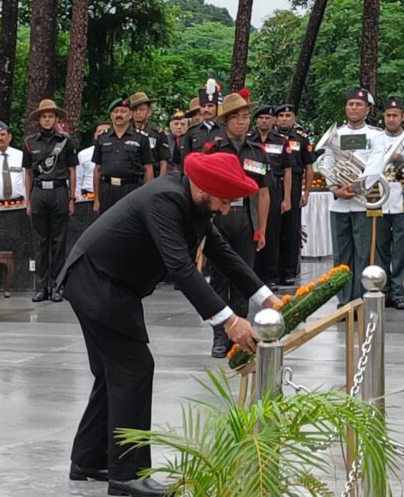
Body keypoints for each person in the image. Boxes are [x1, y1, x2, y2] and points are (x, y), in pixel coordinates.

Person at [57, 151, 278, 496]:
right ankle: (127, 476)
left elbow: (224, 255)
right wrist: (228, 321)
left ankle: (88, 459)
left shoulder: (196, 204)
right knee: (134, 368)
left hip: (107, 283)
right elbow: (180, 267)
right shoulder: (166, 199)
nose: (223, 210)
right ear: (205, 191)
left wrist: (267, 298)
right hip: (96, 282)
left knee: (112, 372)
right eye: (223, 202)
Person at [203, 91, 271, 357]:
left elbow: (263, 193)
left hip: (245, 217)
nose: (243, 122)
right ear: (226, 121)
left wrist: (262, 228)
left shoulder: (257, 153)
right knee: (218, 279)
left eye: (246, 117)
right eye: (237, 118)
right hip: (218, 218)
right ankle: (220, 334)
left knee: (244, 277)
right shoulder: (213, 149)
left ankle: (241, 333)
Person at [320, 87, 387, 307]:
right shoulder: (336, 134)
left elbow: (377, 165)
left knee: (364, 253)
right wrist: (334, 188)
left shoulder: (376, 135)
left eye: (359, 105)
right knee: (341, 255)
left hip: (362, 203)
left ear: (367, 109)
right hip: (339, 203)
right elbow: (327, 163)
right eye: (350, 104)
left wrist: (357, 187)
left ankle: (361, 298)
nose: (354, 107)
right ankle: (344, 301)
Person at [23, 99, 78, 303]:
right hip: (38, 192)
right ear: (39, 119)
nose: (47, 120)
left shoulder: (65, 141)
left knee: (58, 241)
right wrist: (28, 199)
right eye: (44, 116)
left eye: (50, 116)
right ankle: (41, 287)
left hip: (59, 191)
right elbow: (28, 173)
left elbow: (72, 170)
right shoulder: (30, 142)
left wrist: (72, 197)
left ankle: (57, 286)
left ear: (56, 118)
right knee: (40, 242)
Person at [371, 98, 404, 309]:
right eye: (388, 115)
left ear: (403, 117)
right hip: (379, 197)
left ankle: (399, 291)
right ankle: (383, 288)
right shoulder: (375, 139)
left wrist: (398, 159)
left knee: (401, 249)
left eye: (395, 115)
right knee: (380, 247)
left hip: (403, 200)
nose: (391, 119)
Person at [249, 104, 291, 287]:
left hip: (274, 188)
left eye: (267, 118)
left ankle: (271, 276)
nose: (264, 121)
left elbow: (288, 170)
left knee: (271, 233)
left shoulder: (281, 141)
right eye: (261, 118)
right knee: (253, 229)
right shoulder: (250, 140)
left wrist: (287, 198)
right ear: (256, 121)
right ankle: (254, 273)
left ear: (273, 120)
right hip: (252, 187)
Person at [275, 103, 315, 287]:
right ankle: (273, 270)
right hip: (274, 183)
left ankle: (290, 272)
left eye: (287, 115)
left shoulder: (301, 138)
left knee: (291, 229)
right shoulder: (270, 138)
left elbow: (309, 167)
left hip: (295, 184)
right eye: (281, 115)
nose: (284, 118)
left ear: (294, 118)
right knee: (274, 228)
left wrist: (306, 192)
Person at [93, 97, 154, 214]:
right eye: (116, 112)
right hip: (107, 190)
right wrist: (96, 199)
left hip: (131, 189)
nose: (119, 115)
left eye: (123, 111)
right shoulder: (102, 138)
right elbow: (98, 170)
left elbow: (148, 168)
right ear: (111, 115)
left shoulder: (141, 138)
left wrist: (147, 196)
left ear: (130, 114)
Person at [180, 79, 226, 160]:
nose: (206, 109)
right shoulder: (192, 131)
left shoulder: (226, 130)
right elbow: (185, 159)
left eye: (210, 106)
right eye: (203, 106)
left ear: (217, 107)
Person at [130, 92, 170, 177]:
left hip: (153, 177)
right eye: (135, 109)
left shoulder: (157, 133)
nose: (138, 112)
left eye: (142, 109)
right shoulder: (126, 133)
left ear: (149, 112)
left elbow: (163, 161)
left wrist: (160, 182)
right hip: (131, 179)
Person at [76, 123, 111, 200]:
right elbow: (78, 179)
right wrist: (78, 197)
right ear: (95, 134)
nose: (101, 133)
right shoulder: (83, 154)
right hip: (87, 196)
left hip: (109, 194)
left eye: (105, 131)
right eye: (99, 131)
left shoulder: (117, 153)